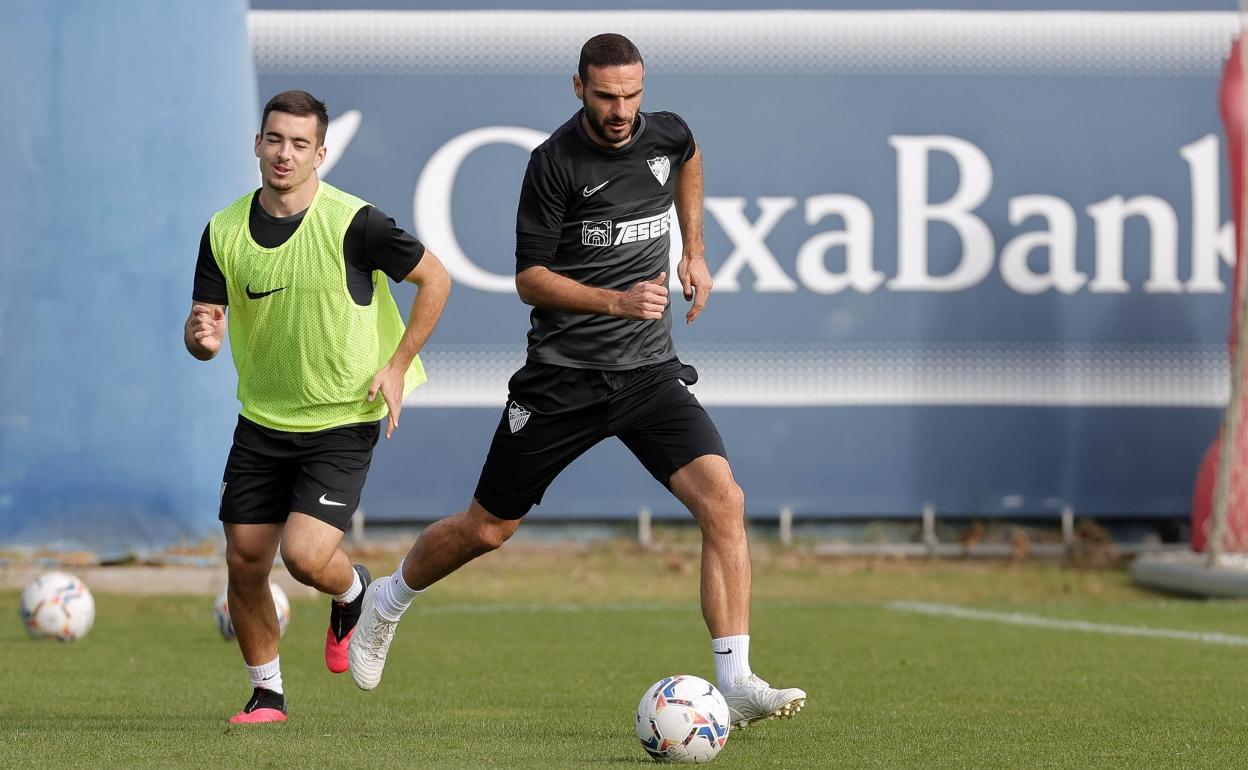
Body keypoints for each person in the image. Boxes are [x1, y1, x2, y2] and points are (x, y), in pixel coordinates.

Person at [348, 34, 806, 729]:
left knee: (724, 501)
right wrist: (618, 300)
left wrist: (696, 251)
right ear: (578, 88)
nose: (620, 110)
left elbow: (688, 157)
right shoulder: (555, 163)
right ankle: (387, 601)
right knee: (487, 529)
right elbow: (529, 279)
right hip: (561, 382)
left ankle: (736, 679)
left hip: (648, 373)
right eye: (605, 96)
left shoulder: (667, 135)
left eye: (631, 94)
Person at [185, 90, 451, 724]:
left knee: (304, 558)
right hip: (262, 421)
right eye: (275, 139)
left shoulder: (355, 223)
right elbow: (206, 332)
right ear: (257, 144)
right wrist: (201, 340)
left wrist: (395, 366)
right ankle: (267, 693)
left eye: (299, 144)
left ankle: (353, 588)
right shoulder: (222, 230)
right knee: (245, 560)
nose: (284, 154)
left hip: (341, 416)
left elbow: (436, 278)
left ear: (320, 154)